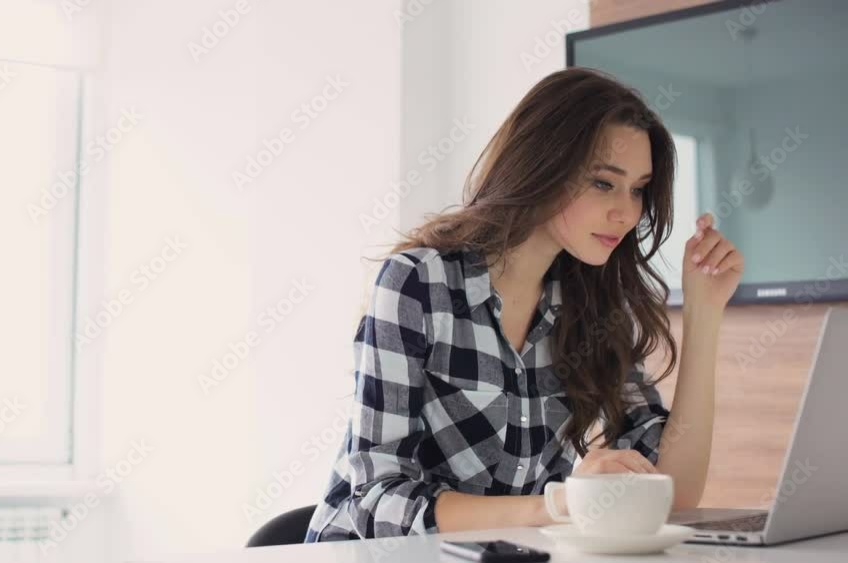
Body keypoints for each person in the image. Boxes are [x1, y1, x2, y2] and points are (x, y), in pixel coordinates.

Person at [303, 67, 744, 542]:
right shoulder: (418, 284)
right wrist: (560, 505)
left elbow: (674, 493)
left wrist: (705, 313)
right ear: (545, 165)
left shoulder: (594, 305)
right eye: (603, 183)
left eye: (638, 189)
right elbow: (373, 500)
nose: (627, 211)